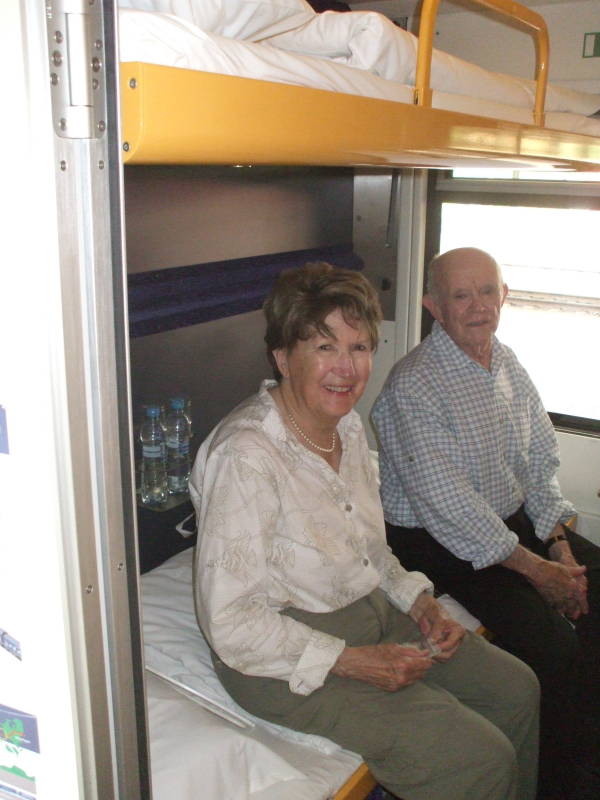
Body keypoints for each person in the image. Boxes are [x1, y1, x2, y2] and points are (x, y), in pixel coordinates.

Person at [190, 261, 539, 800]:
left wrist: (419, 601)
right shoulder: (246, 457)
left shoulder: (345, 425)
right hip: (282, 658)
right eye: (324, 347)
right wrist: (351, 661)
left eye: (359, 348)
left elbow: (368, 548)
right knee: (478, 759)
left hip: (369, 611)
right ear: (283, 357)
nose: (347, 369)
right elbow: (231, 624)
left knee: (517, 688)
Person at [372, 246, 600, 800]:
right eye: (460, 295)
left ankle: (583, 749)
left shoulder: (504, 362)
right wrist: (538, 573)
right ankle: (553, 782)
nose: (478, 307)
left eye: (487, 291)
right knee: (553, 646)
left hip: (507, 521)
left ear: (504, 296)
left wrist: (559, 547)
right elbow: (450, 508)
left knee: (595, 583)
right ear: (434, 306)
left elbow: (539, 459)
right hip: (435, 542)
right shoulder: (415, 385)